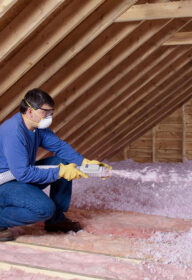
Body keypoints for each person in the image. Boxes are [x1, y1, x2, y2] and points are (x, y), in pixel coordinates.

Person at [0, 88, 111, 241]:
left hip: (19, 178)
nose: (49, 117)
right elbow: (22, 173)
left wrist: (85, 163)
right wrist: (59, 172)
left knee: (63, 162)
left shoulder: (37, 127)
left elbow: (59, 147)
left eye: (51, 112)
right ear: (30, 111)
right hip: (5, 184)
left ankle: (56, 221)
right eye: (45, 112)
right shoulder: (14, 132)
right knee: (44, 209)